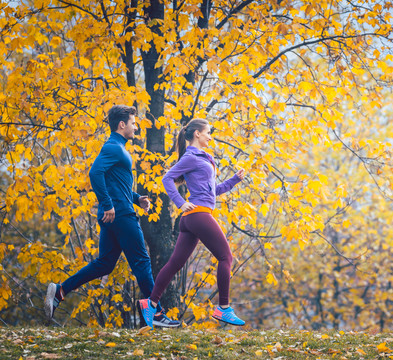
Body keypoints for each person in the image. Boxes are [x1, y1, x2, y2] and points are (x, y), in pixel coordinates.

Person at [44, 105, 179, 328]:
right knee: (142, 262)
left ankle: (60, 291)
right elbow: (95, 173)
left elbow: (115, 181)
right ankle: (156, 313)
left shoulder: (118, 148)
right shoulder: (113, 147)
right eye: (134, 123)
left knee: (104, 264)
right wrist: (108, 204)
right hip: (120, 214)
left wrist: (137, 199)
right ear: (122, 124)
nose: (136, 127)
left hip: (117, 211)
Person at [138, 118, 246, 329]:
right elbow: (167, 178)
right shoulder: (191, 157)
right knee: (226, 257)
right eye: (208, 132)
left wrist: (234, 180)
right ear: (197, 134)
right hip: (197, 214)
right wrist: (180, 203)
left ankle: (150, 304)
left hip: (193, 218)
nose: (210, 136)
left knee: (175, 264)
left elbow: (213, 190)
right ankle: (223, 309)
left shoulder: (202, 157)